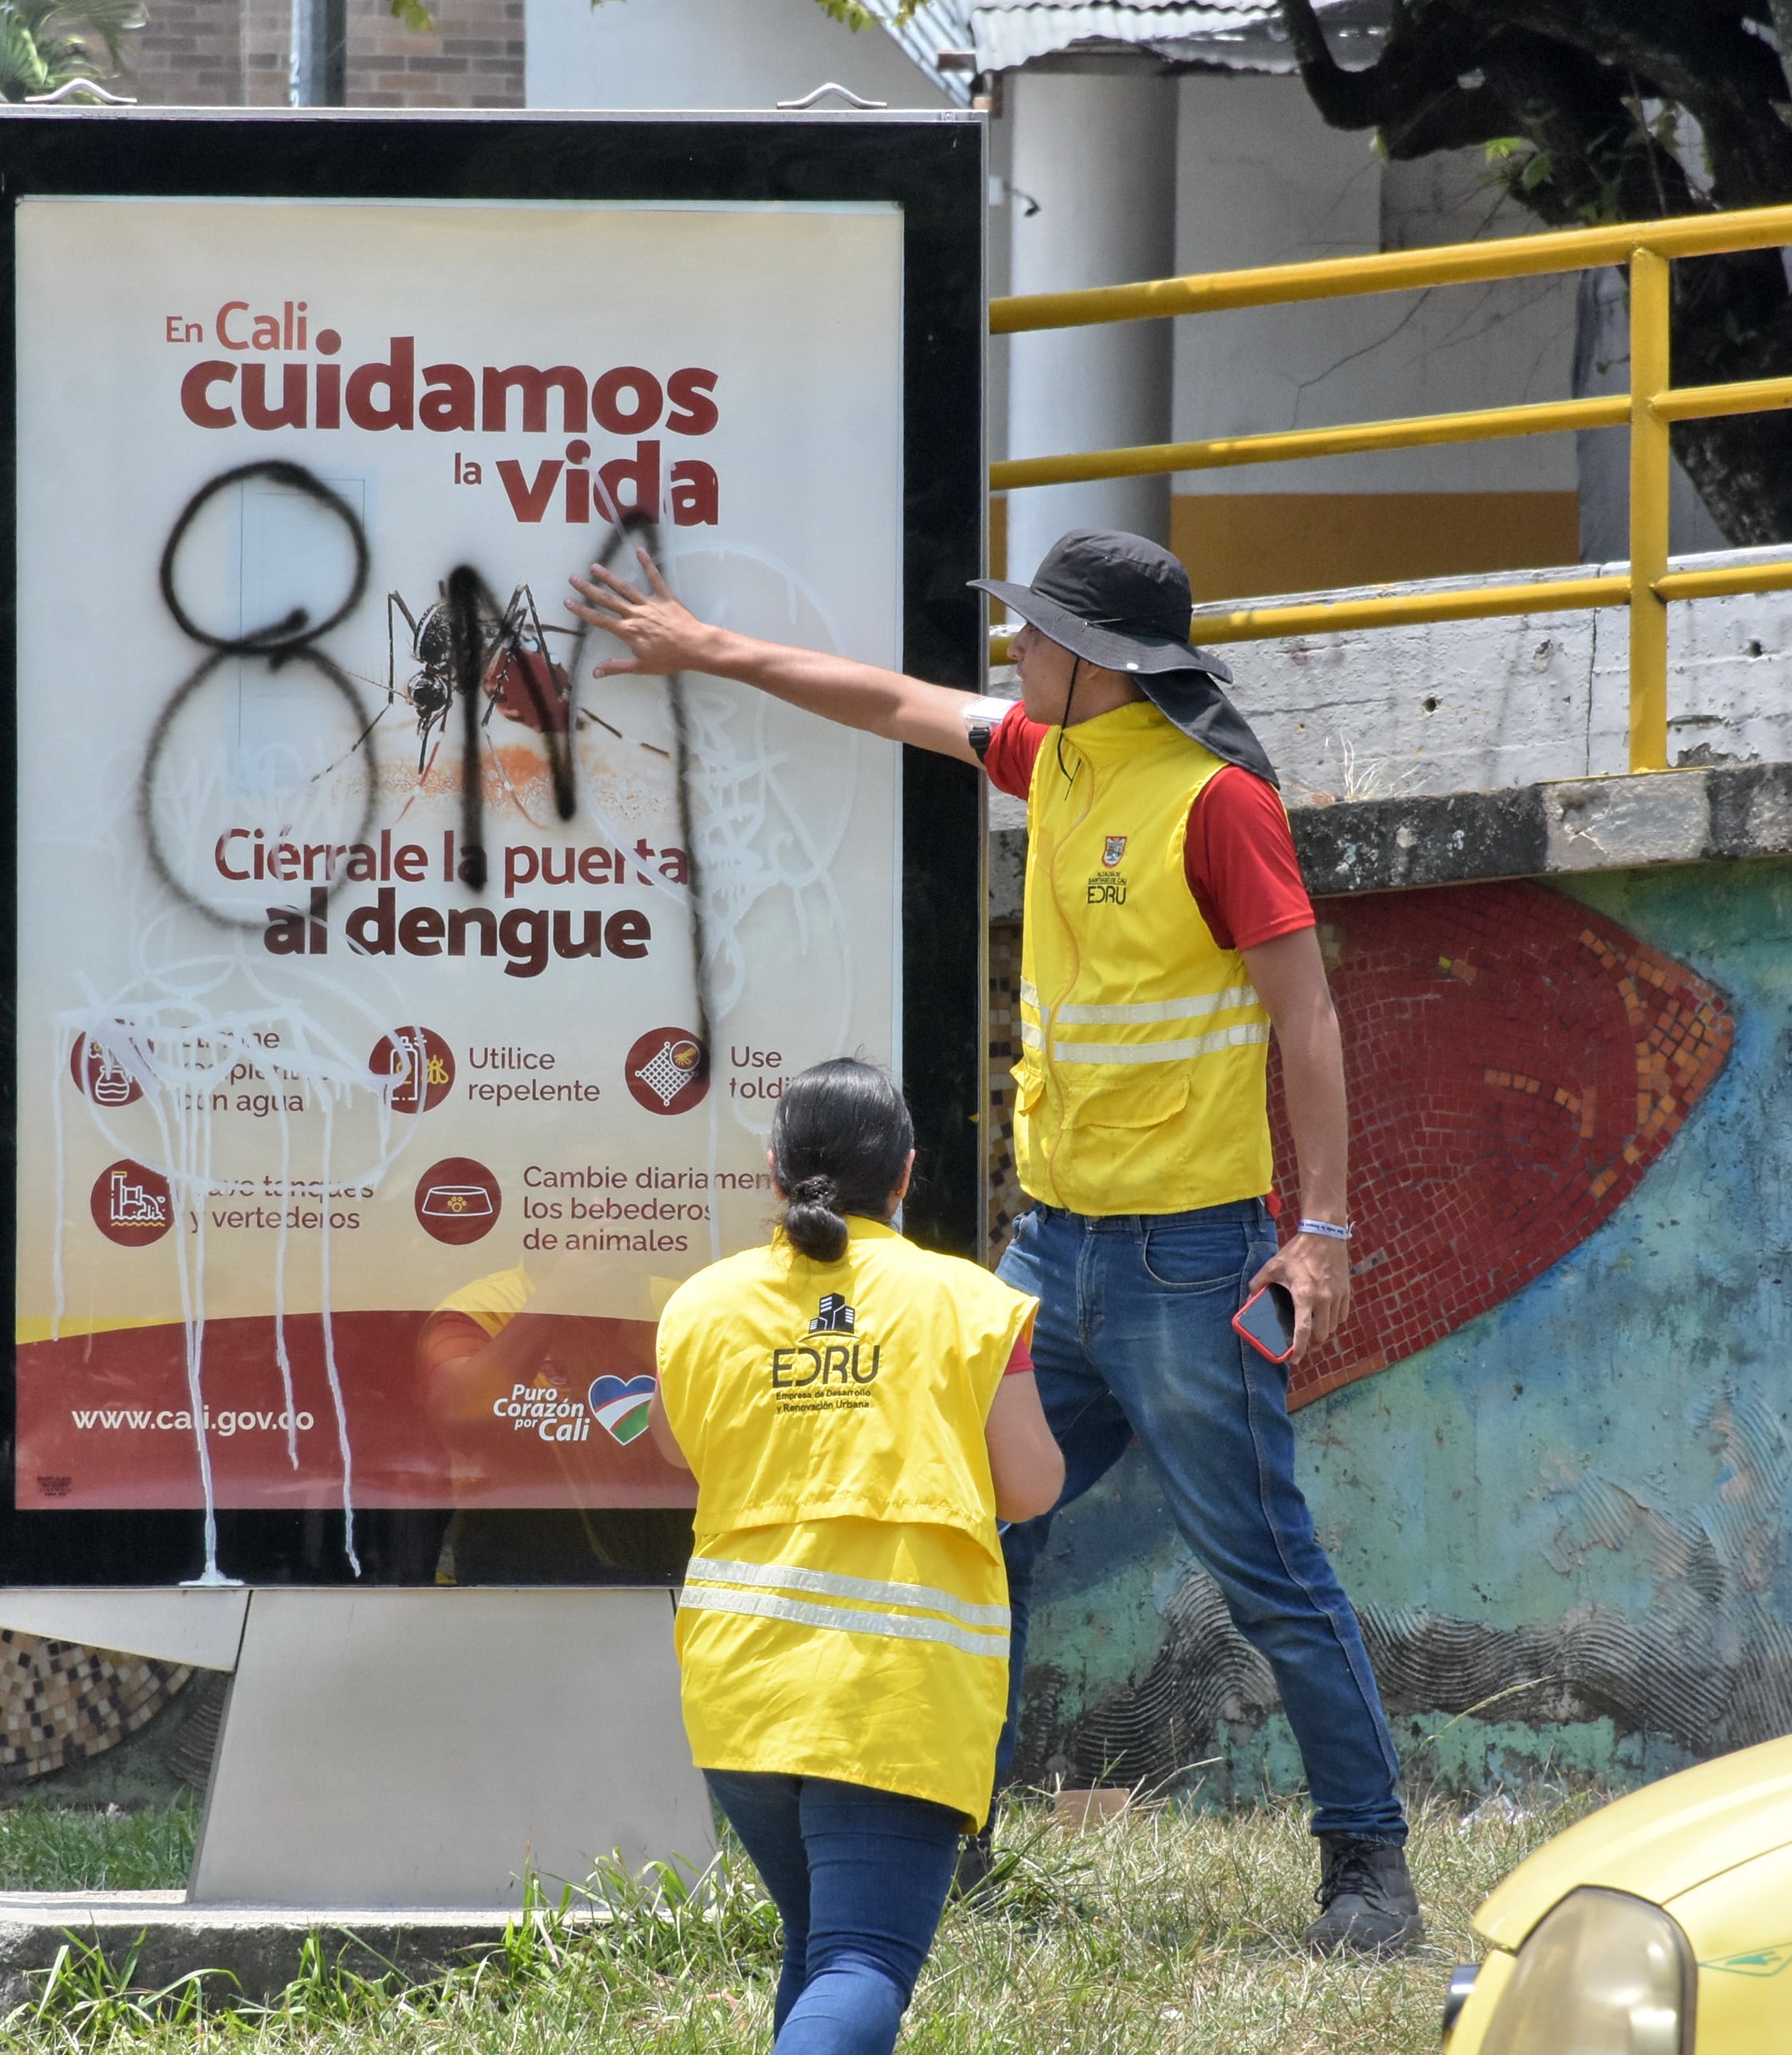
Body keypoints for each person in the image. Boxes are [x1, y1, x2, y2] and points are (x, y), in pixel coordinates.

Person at [573, 530, 1421, 1954]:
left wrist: (1319, 1233)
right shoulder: (1054, 750)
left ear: (1102, 665)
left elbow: (1307, 1017)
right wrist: (700, 645)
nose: (1012, 656)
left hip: (1186, 1262)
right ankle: (942, 1832)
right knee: (975, 1520)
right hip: (1053, 1256)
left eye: (1035, 637)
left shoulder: (1214, 805)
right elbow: (889, 700)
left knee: (1266, 1568)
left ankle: (1365, 1866)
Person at [649, 1059, 1063, 2054]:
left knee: (820, 1943)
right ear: (908, 1173)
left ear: (773, 1172)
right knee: (861, 1961)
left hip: (740, 1694)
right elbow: (1031, 1487)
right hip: (895, 1694)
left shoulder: (700, 1305)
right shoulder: (969, 1302)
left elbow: (674, 1447)